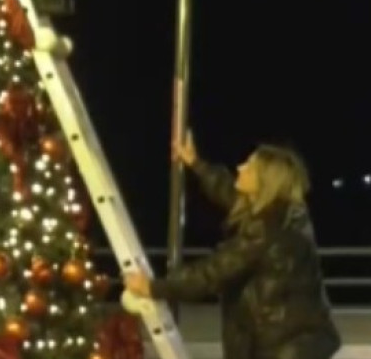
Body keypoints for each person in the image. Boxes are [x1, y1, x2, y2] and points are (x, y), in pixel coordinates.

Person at [123, 134, 341, 359]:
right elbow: (228, 192)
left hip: (281, 348)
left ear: (264, 182)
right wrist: (196, 164)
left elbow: (211, 274)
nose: (240, 167)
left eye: (250, 166)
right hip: (300, 342)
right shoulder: (285, 212)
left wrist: (153, 287)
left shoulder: (266, 230)